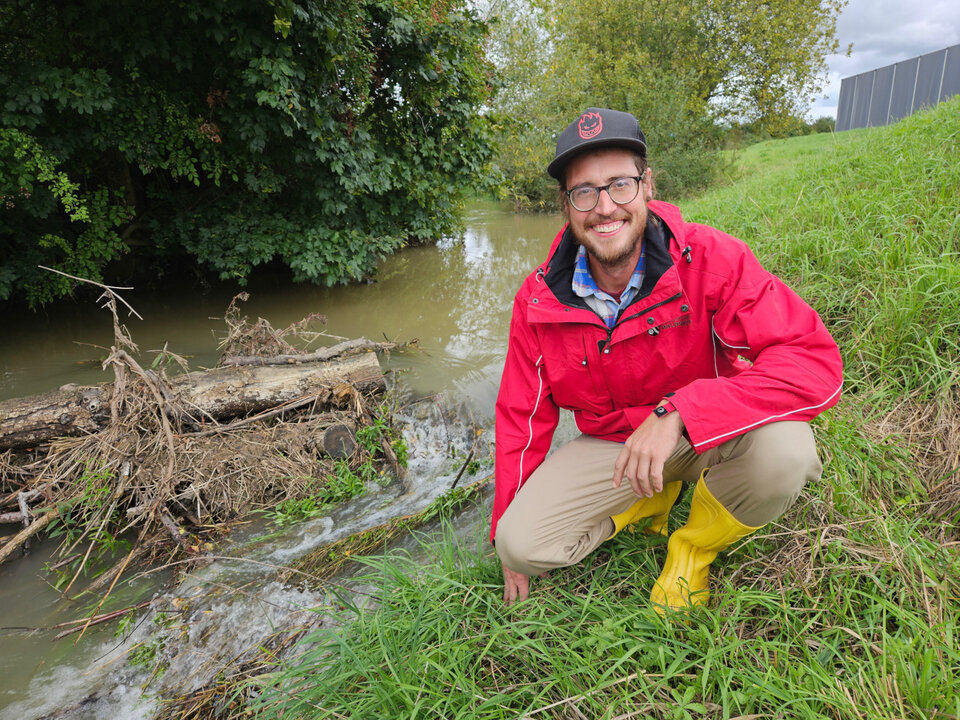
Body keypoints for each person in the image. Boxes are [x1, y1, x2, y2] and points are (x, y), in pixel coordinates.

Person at [491, 108, 842, 613]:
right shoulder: (538, 299)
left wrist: (678, 411)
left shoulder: (713, 258)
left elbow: (813, 362)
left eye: (620, 185)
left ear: (647, 184)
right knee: (520, 544)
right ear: (566, 204)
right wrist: (505, 519)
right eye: (584, 192)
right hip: (614, 445)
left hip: (708, 432)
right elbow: (521, 418)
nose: (604, 208)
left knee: (786, 453)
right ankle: (648, 496)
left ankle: (693, 550)